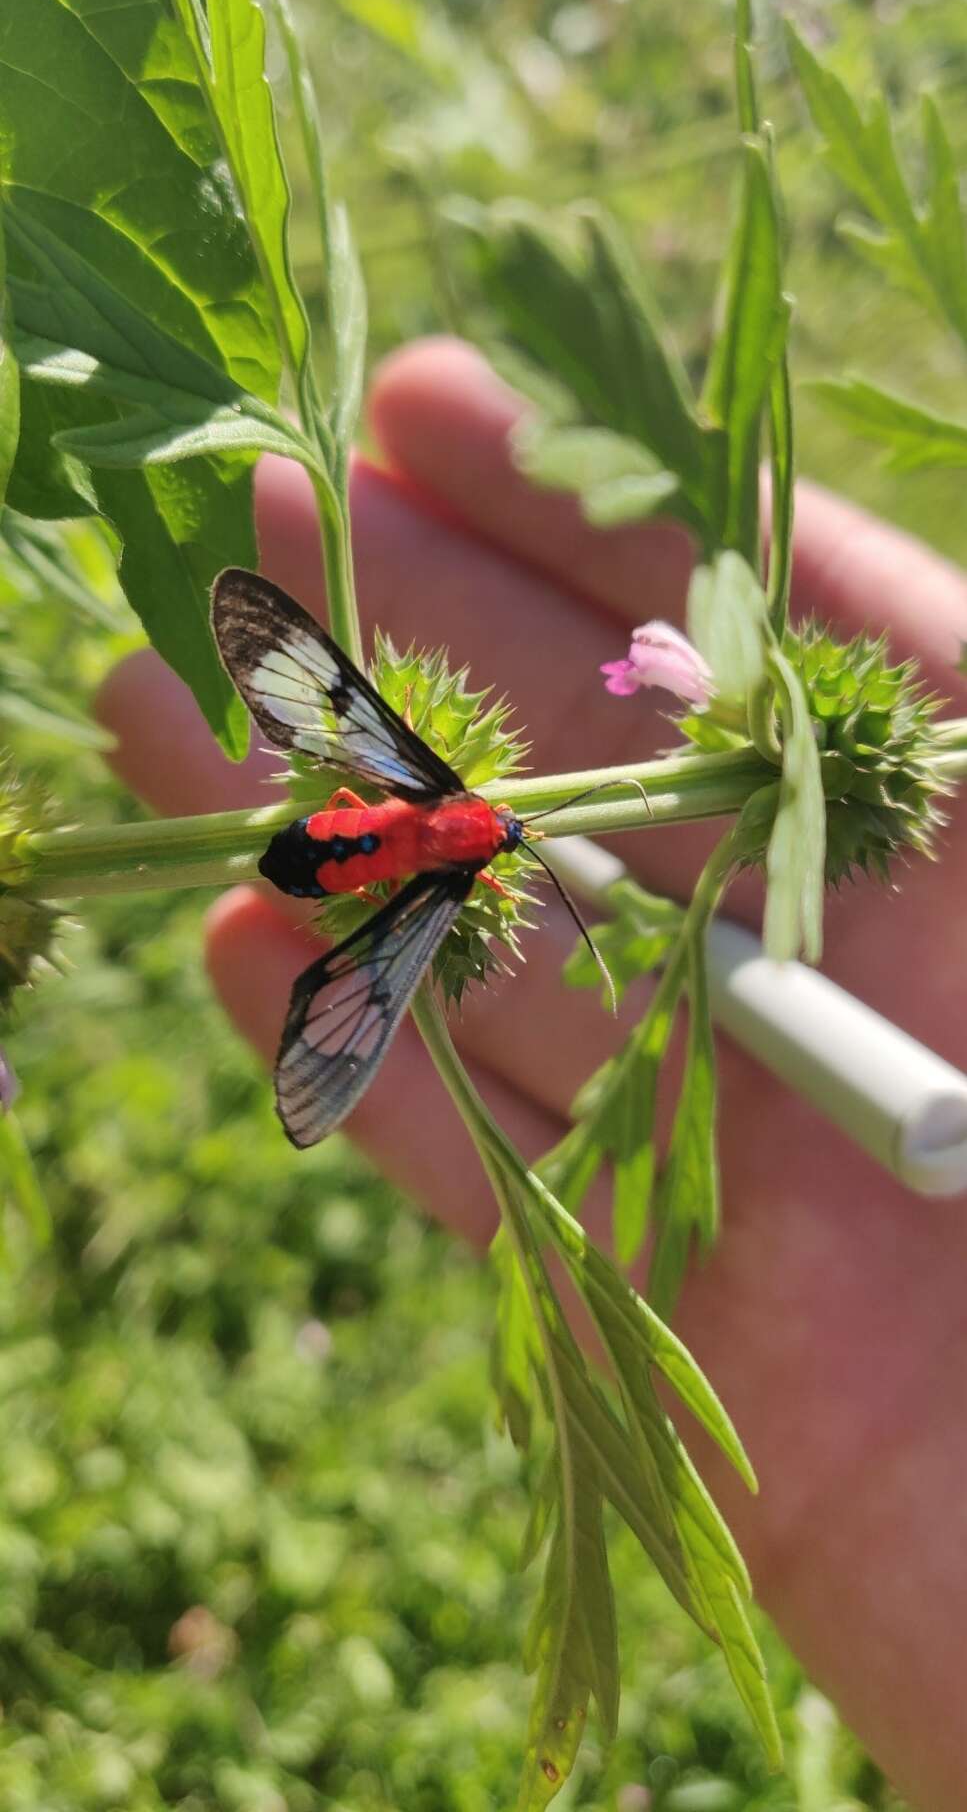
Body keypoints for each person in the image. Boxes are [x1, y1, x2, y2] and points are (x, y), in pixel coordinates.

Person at [98, 338, 967, 1810]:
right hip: (382, 860)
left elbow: (373, 783)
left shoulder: (434, 809)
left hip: (377, 822)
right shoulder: (452, 875)